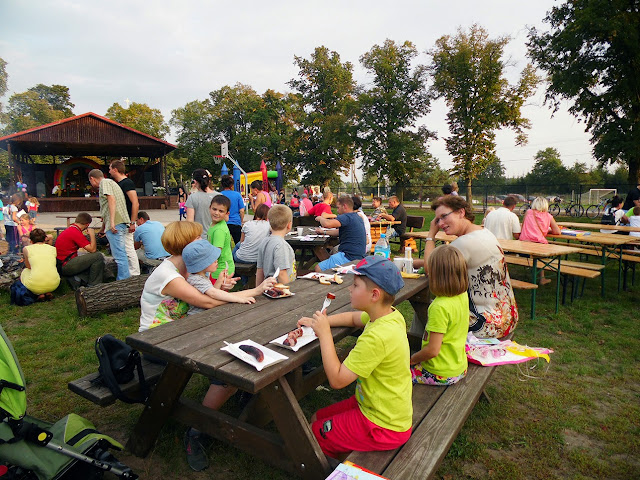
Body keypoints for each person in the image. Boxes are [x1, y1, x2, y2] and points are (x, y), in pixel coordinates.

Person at [297, 255, 412, 459]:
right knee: (317, 418)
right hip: (377, 406)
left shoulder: (377, 337)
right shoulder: (389, 315)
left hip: (382, 425)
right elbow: (352, 318)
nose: (350, 289)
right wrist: (323, 322)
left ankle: (338, 466)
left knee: (313, 436)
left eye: (356, 285)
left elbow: (337, 380)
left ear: (374, 295)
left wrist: (324, 334)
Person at [181, 238, 275, 471]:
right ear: (202, 263)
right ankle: (196, 430)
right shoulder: (196, 279)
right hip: (199, 335)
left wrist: (223, 287)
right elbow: (215, 296)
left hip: (210, 328)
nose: (218, 260)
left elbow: (215, 294)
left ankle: (240, 391)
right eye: (213, 258)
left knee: (250, 344)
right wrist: (246, 294)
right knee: (229, 368)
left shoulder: (201, 278)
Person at [416, 196, 518, 339]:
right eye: (437, 220)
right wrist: (414, 262)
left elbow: (430, 269)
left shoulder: (465, 242)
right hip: (507, 318)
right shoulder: (483, 232)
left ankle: (423, 348)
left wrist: (431, 235)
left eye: (444, 216)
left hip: (485, 324)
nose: (440, 223)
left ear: (461, 212)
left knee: (431, 308)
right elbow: (441, 262)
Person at [139, 221, 238, 332]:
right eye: (198, 237)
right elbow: (208, 302)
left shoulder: (196, 268)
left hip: (182, 328)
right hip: (156, 333)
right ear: (186, 244)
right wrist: (251, 293)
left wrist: (221, 286)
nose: (202, 240)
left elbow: (209, 297)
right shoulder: (168, 275)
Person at [410, 245, 469, 386]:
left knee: (392, 372)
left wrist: (412, 360)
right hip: (459, 367)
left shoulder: (439, 307)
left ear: (435, 276)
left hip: (439, 372)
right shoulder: (462, 295)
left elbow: (432, 350)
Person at [88, 169, 131, 280]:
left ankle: (123, 280)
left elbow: (111, 199)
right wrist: (103, 228)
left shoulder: (104, 183)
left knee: (119, 255)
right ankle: (125, 278)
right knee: (121, 253)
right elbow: (107, 208)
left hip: (116, 223)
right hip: (119, 221)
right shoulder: (111, 183)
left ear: (92, 179)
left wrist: (112, 222)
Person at [314, 196, 367, 272]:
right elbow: (339, 232)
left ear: (344, 206)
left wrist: (320, 218)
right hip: (359, 256)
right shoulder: (357, 217)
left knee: (318, 268)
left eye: (338, 207)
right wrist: (324, 232)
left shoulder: (346, 217)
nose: (337, 211)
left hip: (348, 257)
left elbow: (327, 224)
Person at [109, 159, 140, 276]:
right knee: (125, 248)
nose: (109, 171)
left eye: (110, 169)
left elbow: (135, 203)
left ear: (115, 170)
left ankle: (134, 273)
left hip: (127, 221)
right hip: (122, 220)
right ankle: (129, 272)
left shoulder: (127, 183)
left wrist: (132, 222)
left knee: (128, 247)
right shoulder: (119, 184)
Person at [55, 212, 105, 287]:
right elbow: (92, 249)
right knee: (98, 256)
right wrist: (92, 235)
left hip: (61, 264)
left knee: (91, 258)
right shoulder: (75, 232)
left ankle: (78, 279)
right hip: (66, 265)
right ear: (87, 224)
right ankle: (93, 285)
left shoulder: (70, 229)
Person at [256, 204, 296, 285]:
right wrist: (288, 290)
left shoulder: (264, 241)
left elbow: (260, 270)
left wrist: (258, 289)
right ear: (289, 225)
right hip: (279, 289)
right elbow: (281, 273)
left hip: (268, 288)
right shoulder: (281, 246)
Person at [20, 228, 60, 301]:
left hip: (35, 285)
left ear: (31, 241)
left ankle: (39, 294)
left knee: (25, 271)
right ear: (45, 239)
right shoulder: (53, 249)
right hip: (55, 283)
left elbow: (28, 266)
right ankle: (48, 292)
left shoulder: (26, 249)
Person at [206, 195, 235, 284]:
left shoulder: (219, 230)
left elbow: (216, 252)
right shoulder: (215, 224)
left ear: (227, 213)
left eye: (221, 211)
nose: (216, 213)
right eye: (214, 209)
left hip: (221, 270)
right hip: (218, 268)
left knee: (216, 292)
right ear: (210, 208)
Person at [186, 169, 219, 236]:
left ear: (195, 182)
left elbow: (190, 222)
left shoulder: (192, 197)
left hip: (199, 236)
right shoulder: (219, 196)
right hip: (217, 235)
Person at [220, 175, 245, 245]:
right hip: (235, 222)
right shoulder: (237, 195)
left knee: (224, 244)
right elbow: (242, 210)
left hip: (223, 222)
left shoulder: (220, 195)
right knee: (239, 244)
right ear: (232, 185)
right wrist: (241, 221)